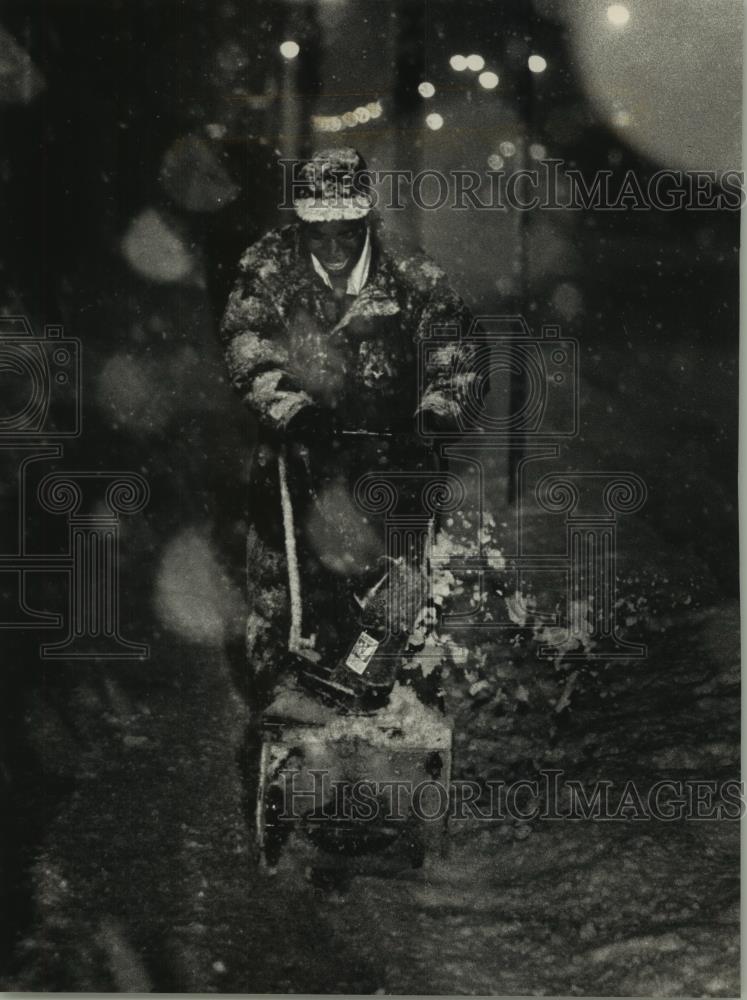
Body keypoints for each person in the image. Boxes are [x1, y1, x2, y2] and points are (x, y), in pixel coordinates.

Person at [219, 147, 474, 709]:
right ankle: (289, 710)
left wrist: (435, 414)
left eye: (346, 235)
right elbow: (248, 344)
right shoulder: (267, 270)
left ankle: (391, 701)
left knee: (398, 595)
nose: (332, 250)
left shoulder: (411, 274)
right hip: (298, 459)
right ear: (301, 227)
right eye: (319, 236)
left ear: (365, 223)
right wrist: (294, 411)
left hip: (392, 462)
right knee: (289, 597)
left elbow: (455, 352)